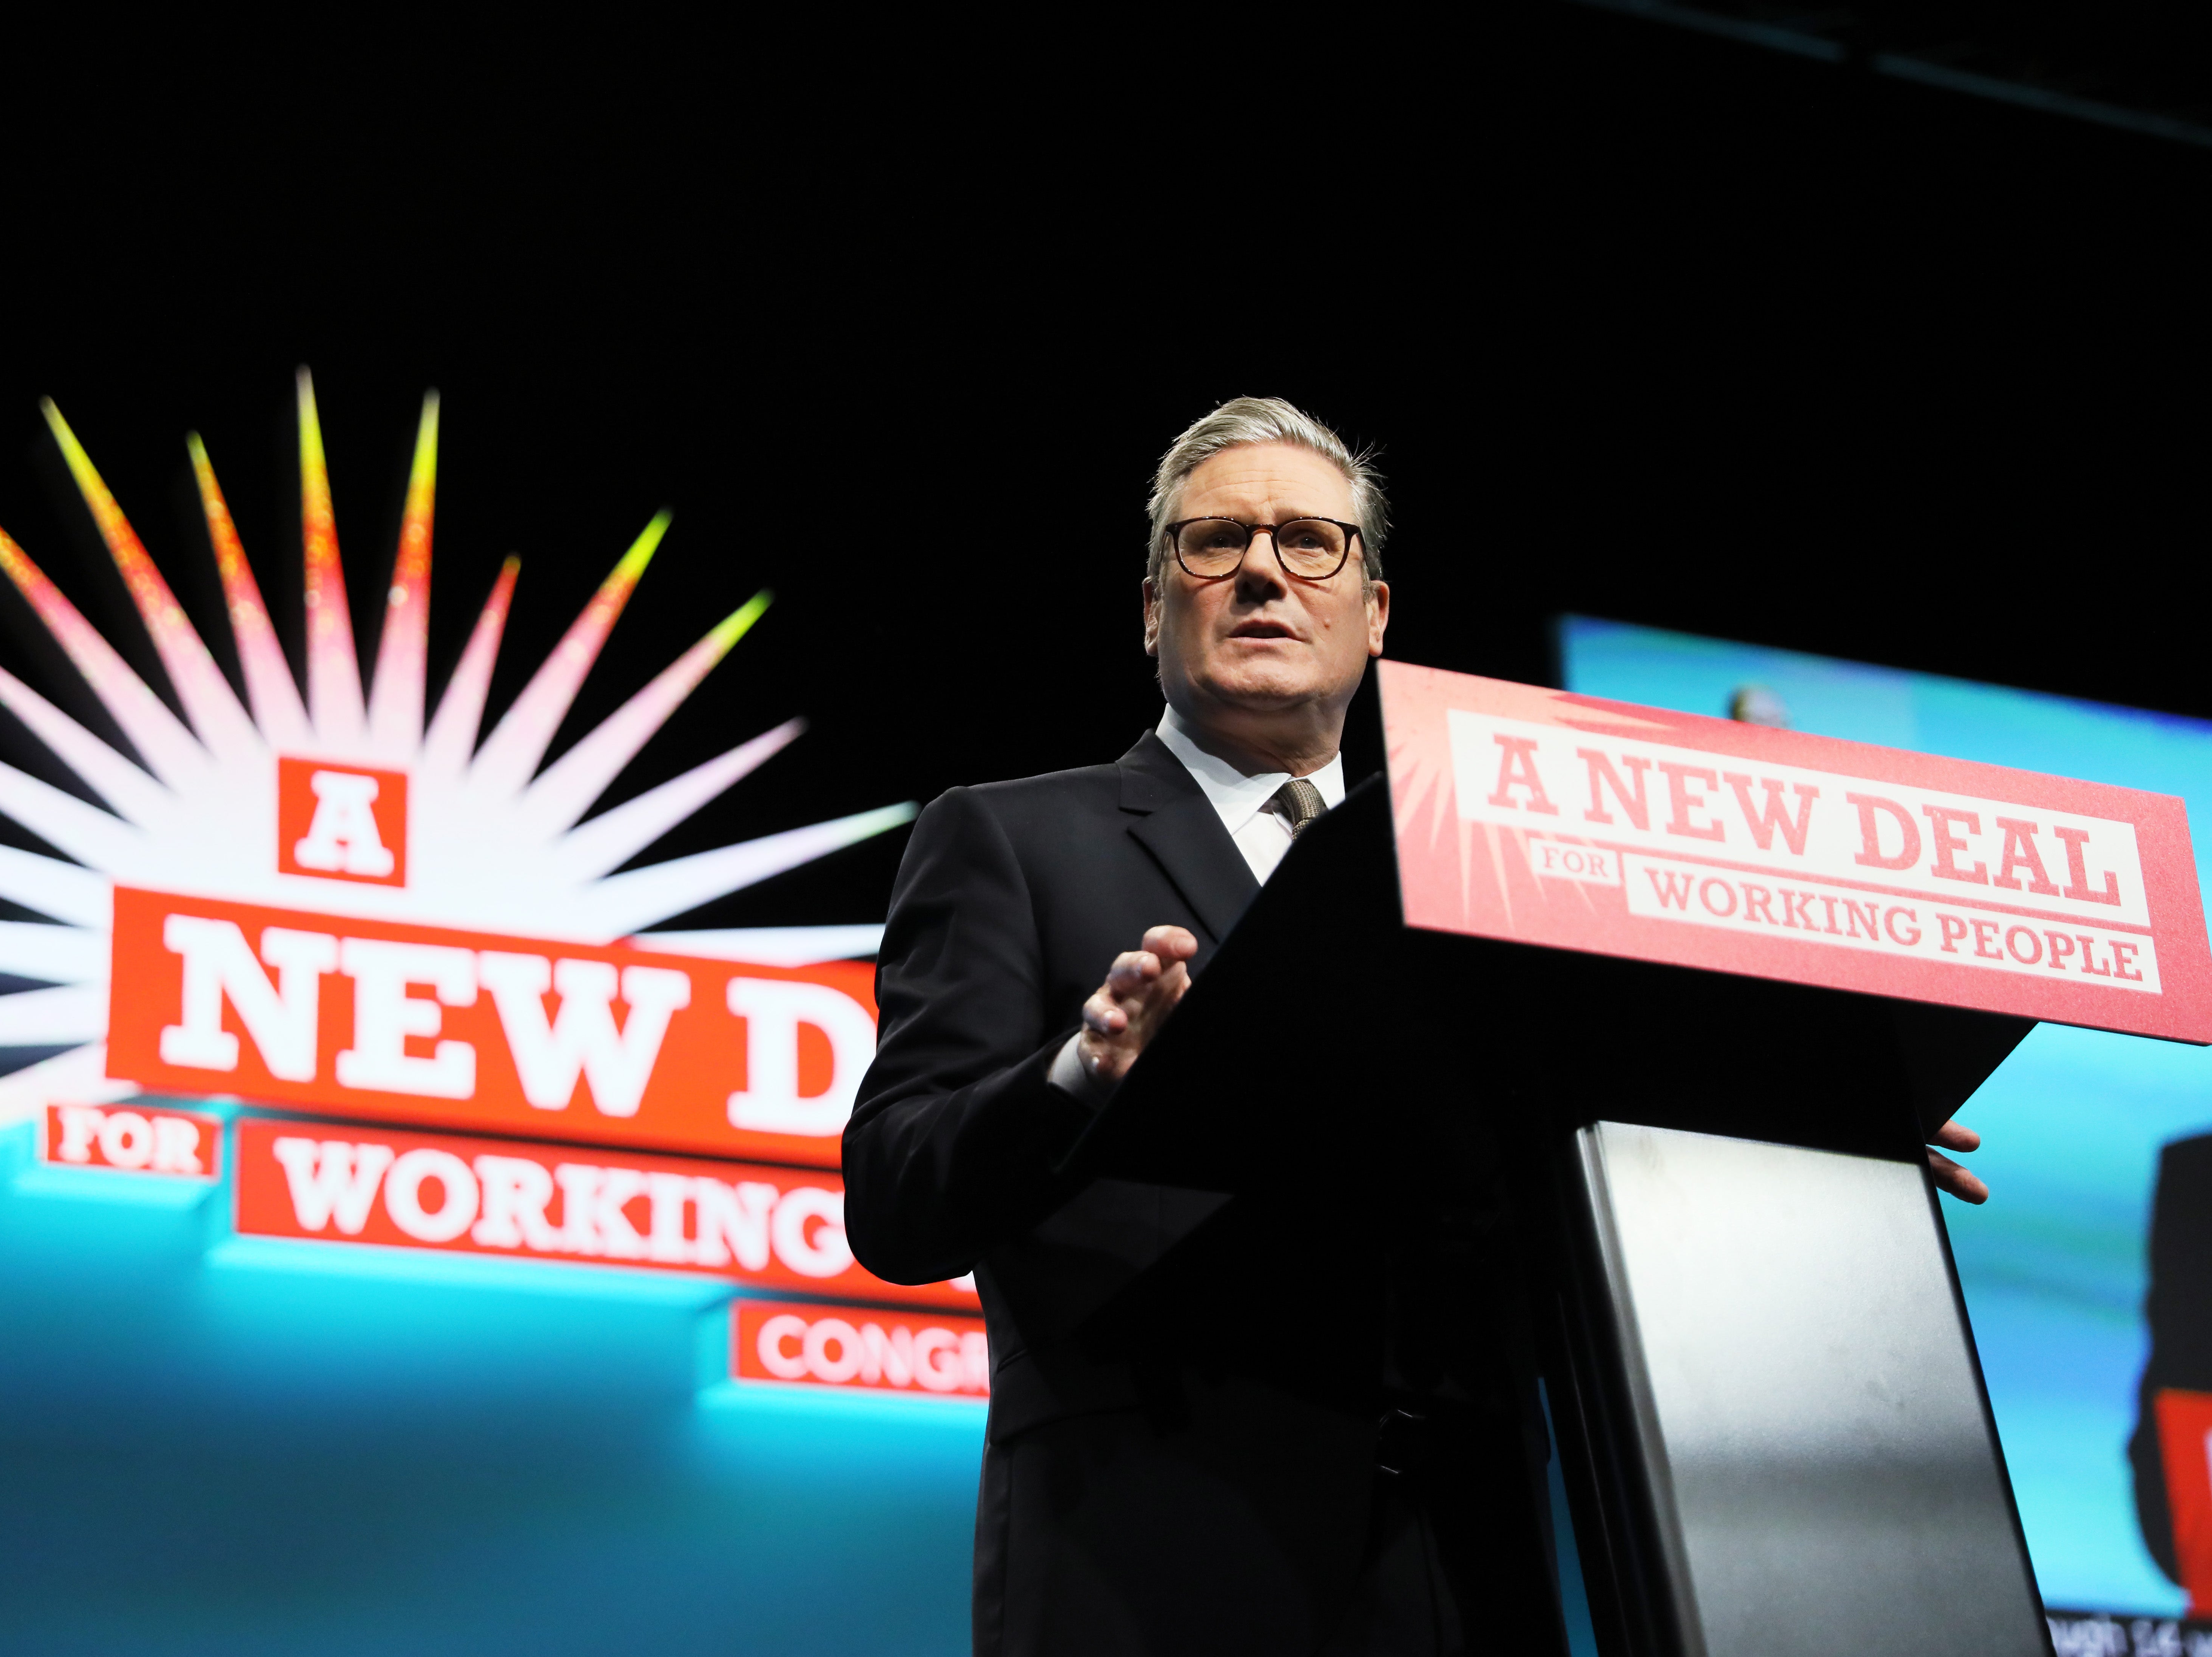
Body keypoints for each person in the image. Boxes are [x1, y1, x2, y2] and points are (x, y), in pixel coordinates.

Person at [841, 397, 1987, 1655]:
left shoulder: (1495, 866)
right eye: (1212, 541)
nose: (1263, 570)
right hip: (1157, 1563)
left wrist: (1791, 1142)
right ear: (1152, 607)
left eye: (1308, 541)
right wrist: (1080, 1069)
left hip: (1469, 1561)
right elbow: (899, 1196)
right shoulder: (1008, 837)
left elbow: (1545, 1165)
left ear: (1374, 614)